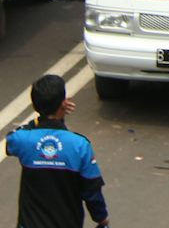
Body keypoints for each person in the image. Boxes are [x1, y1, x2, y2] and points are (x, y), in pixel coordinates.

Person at [4, 74, 107, 228]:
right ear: (63, 104)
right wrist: (102, 219)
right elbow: (91, 190)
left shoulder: (22, 140)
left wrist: (39, 120)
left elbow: (11, 141)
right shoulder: (79, 145)